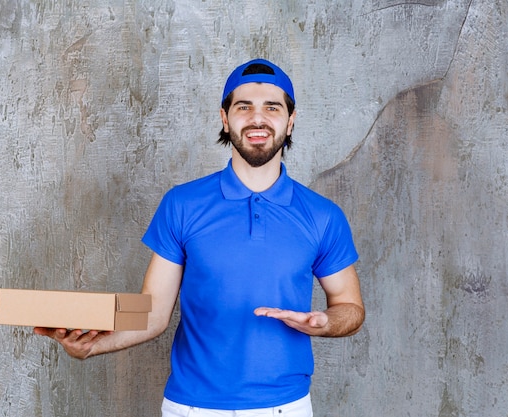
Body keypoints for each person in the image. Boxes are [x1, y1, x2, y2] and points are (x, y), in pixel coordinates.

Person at [35, 58, 365, 416]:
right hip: (190, 407)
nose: (258, 119)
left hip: (285, 407)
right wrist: (90, 347)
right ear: (225, 118)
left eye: (272, 107)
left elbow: (350, 307)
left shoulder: (322, 215)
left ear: (291, 118)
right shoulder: (182, 204)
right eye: (244, 107)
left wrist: (325, 323)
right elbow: (154, 314)